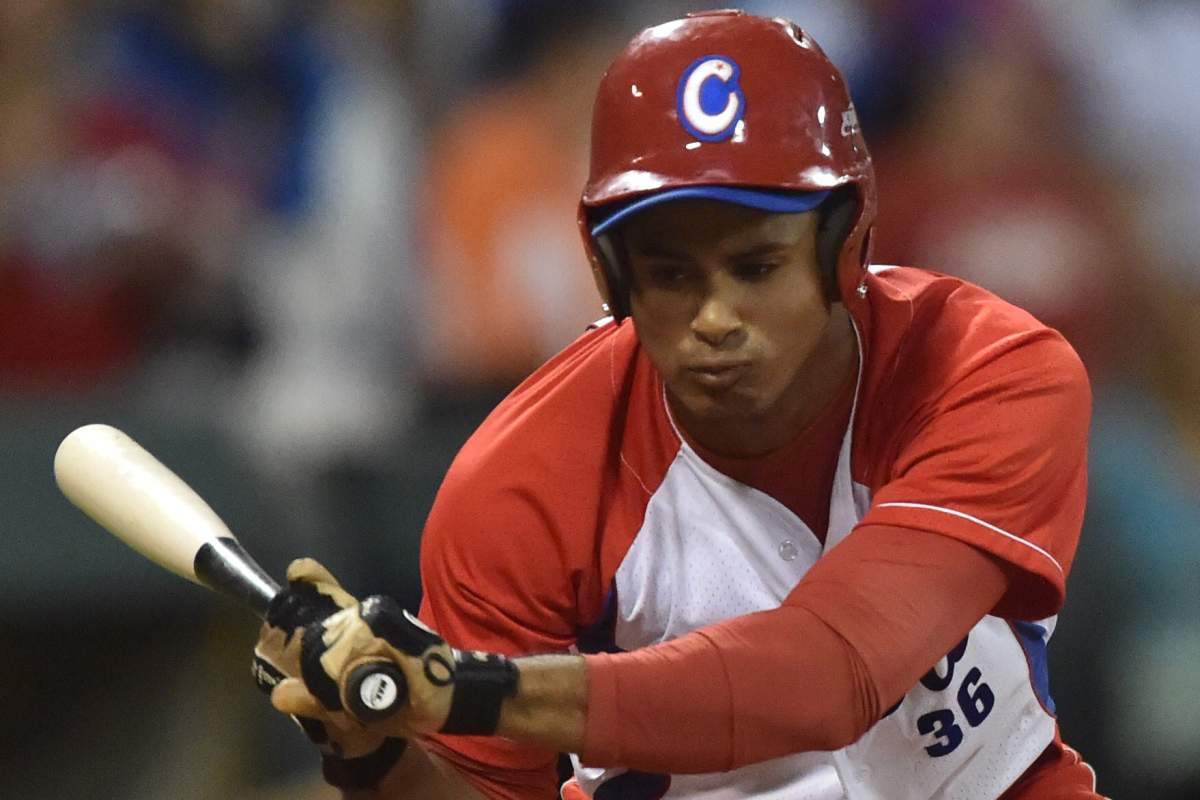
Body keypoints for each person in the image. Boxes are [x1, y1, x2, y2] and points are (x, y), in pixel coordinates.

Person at [253, 10, 1104, 799]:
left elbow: (832, 674)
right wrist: (375, 748)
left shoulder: (983, 369)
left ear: (843, 244)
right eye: (669, 275)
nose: (715, 318)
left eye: (756, 267)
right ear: (612, 275)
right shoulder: (522, 487)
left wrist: (476, 689)